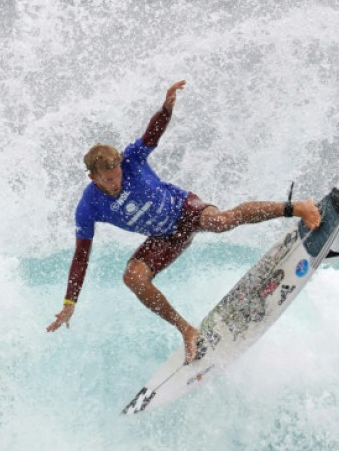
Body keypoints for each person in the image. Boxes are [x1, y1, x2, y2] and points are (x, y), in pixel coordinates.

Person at [45, 80, 321, 363]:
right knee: (133, 278)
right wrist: (70, 302)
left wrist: (165, 108)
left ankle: (296, 207)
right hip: (164, 238)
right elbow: (81, 256)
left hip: (184, 209)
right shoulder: (88, 206)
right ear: (93, 178)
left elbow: (152, 135)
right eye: (108, 180)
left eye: (117, 176)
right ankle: (187, 330)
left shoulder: (131, 160)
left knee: (222, 220)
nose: (116, 183)